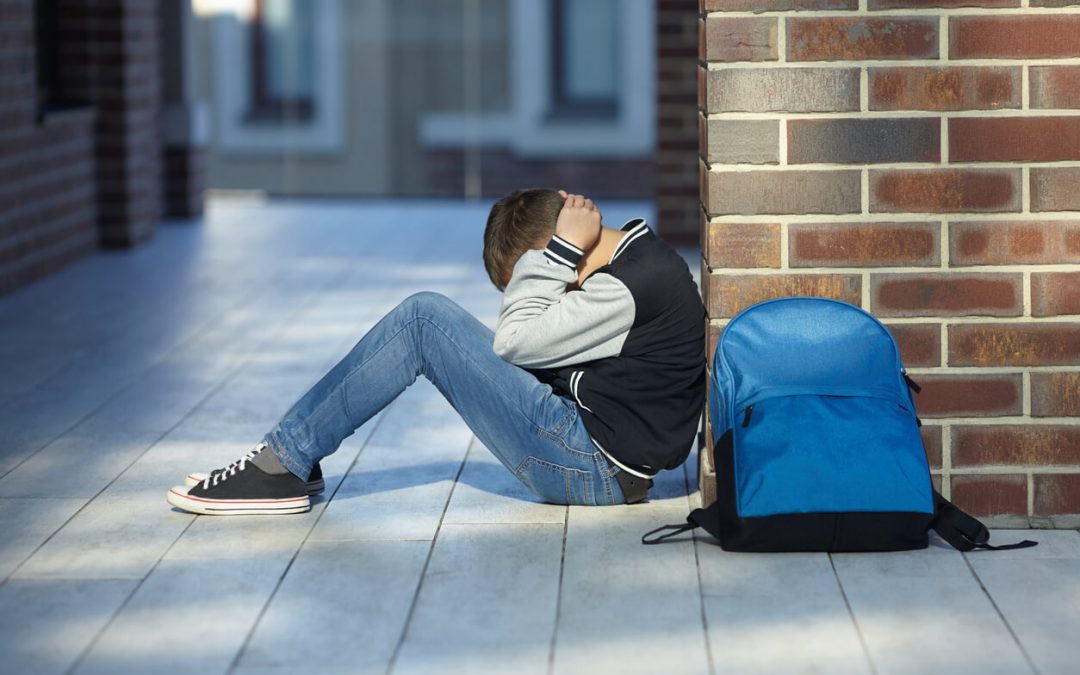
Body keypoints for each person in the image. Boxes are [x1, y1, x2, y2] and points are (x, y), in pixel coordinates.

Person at [166, 189, 705, 515]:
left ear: (558, 253)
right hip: (598, 454)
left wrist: (559, 252)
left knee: (424, 318)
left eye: (536, 277)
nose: (542, 289)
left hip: (591, 468)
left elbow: (514, 341)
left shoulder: (624, 288)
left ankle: (281, 463)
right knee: (432, 320)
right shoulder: (639, 264)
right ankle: (294, 458)